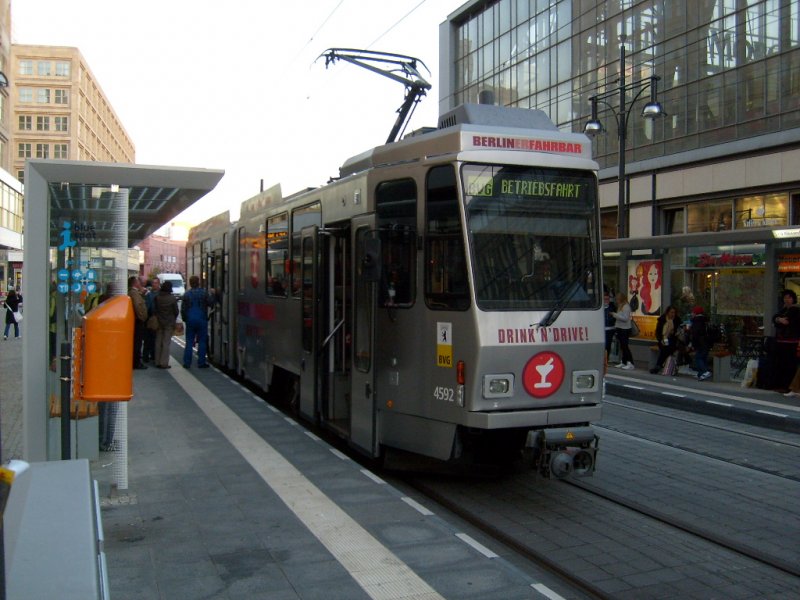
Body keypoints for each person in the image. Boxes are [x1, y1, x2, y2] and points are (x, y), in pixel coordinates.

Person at [181, 275, 216, 369]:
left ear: (190, 283)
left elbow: (183, 309)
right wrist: (213, 294)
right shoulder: (204, 293)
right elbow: (211, 303)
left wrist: (185, 319)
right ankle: (201, 362)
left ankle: (187, 363)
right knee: (202, 341)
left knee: (189, 341)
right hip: (201, 319)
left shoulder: (187, 294)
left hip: (190, 319)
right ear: (198, 282)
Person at [771, 289, 800, 392]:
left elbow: (787, 322)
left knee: (789, 364)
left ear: (793, 299)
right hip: (781, 341)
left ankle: (788, 386)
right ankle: (780, 384)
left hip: (791, 341)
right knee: (780, 363)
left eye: (789, 298)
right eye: (785, 298)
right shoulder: (783, 310)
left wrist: (779, 320)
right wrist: (778, 319)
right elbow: (774, 318)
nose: (787, 300)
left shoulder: (796, 310)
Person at [153, 280, 178, 369]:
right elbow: (176, 311)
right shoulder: (172, 298)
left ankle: (157, 361)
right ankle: (164, 363)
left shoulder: (157, 297)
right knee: (166, 343)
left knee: (158, 341)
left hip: (159, 321)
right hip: (169, 322)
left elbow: (154, 309)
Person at [651, 305, 682, 374]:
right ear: (667, 312)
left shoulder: (677, 320)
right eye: (671, 312)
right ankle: (661, 366)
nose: (673, 314)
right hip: (663, 338)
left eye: (674, 313)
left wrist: (674, 333)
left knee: (667, 348)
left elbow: (679, 332)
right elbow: (658, 332)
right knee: (665, 347)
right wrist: (661, 340)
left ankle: (658, 366)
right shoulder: (662, 319)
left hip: (674, 340)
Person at [128, 275, 148, 369]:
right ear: (135, 283)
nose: (139, 283)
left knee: (137, 342)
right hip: (138, 321)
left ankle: (136, 361)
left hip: (136, 320)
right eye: (138, 282)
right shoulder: (134, 293)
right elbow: (138, 306)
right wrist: (142, 317)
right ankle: (136, 362)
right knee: (137, 343)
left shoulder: (134, 293)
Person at [610, 292, 635, 369]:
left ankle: (631, 363)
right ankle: (624, 362)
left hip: (625, 329)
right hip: (620, 328)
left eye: (618, 299)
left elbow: (625, 318)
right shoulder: (621, 306)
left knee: (625, 346)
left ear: (621, 299)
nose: (616, 301)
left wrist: (614, 314)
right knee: (622, 346)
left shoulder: (626, 307)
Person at [689, 305, 712, 380]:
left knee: (698, 358)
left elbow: (695, 334)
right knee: (703, 358)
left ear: (695, 313)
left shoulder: (696, 321)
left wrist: (693, 344)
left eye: (693, 312)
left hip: (700, 343)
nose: (692, 313)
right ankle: (701, 374)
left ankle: (705, 371)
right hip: (707, 342)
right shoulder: (705, 321)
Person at [142, 277, 160, 363]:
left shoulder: (159, 294)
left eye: (156, 283)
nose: (154, 284)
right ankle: (149, 355)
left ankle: (153, 355)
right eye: (153, 283)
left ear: (159, 284)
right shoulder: (149, 294)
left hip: (157, 318)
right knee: (149, 338)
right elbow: (147, 306)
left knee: (154, 338)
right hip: (151, 318)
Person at [603, 289, 616, 359]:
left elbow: (615, 317)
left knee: (608, 345)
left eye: (607, 299)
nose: (606, 300)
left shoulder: (612, 307)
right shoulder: (600, 308)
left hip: (610, 329)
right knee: (603, 345)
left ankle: (606, 359)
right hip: (602, 329)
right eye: (605, 299)